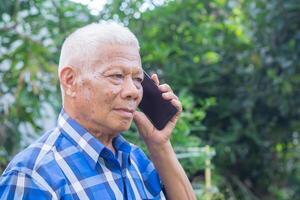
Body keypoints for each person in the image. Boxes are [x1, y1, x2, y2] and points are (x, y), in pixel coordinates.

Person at [0, 22, 196, 200]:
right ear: (70, 80)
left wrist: (160, 145)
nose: (133, 92)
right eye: (117, 76)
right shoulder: (34, 176)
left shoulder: (135, 159)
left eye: (137, 79)